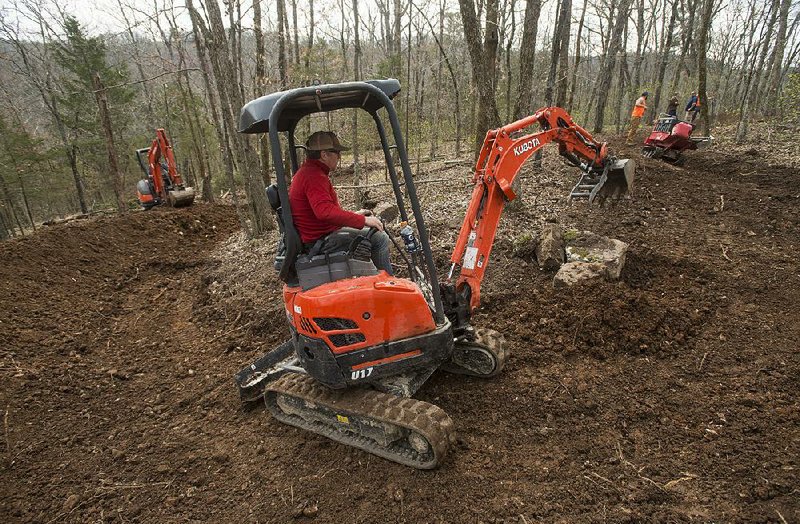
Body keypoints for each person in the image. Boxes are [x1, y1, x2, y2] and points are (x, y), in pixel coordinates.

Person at [289, 131, 394, 275]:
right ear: (324, 154)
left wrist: (354, 216)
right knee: (380, 239)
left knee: (371, 233)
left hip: (320, 235)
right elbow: (324, 212)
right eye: (336, 152)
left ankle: (375, 277)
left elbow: (324, 211)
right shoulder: (313, 177)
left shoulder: (309, 173)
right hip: (321, 241)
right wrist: (363, 220)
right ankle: (387, 283)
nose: (339, 157)